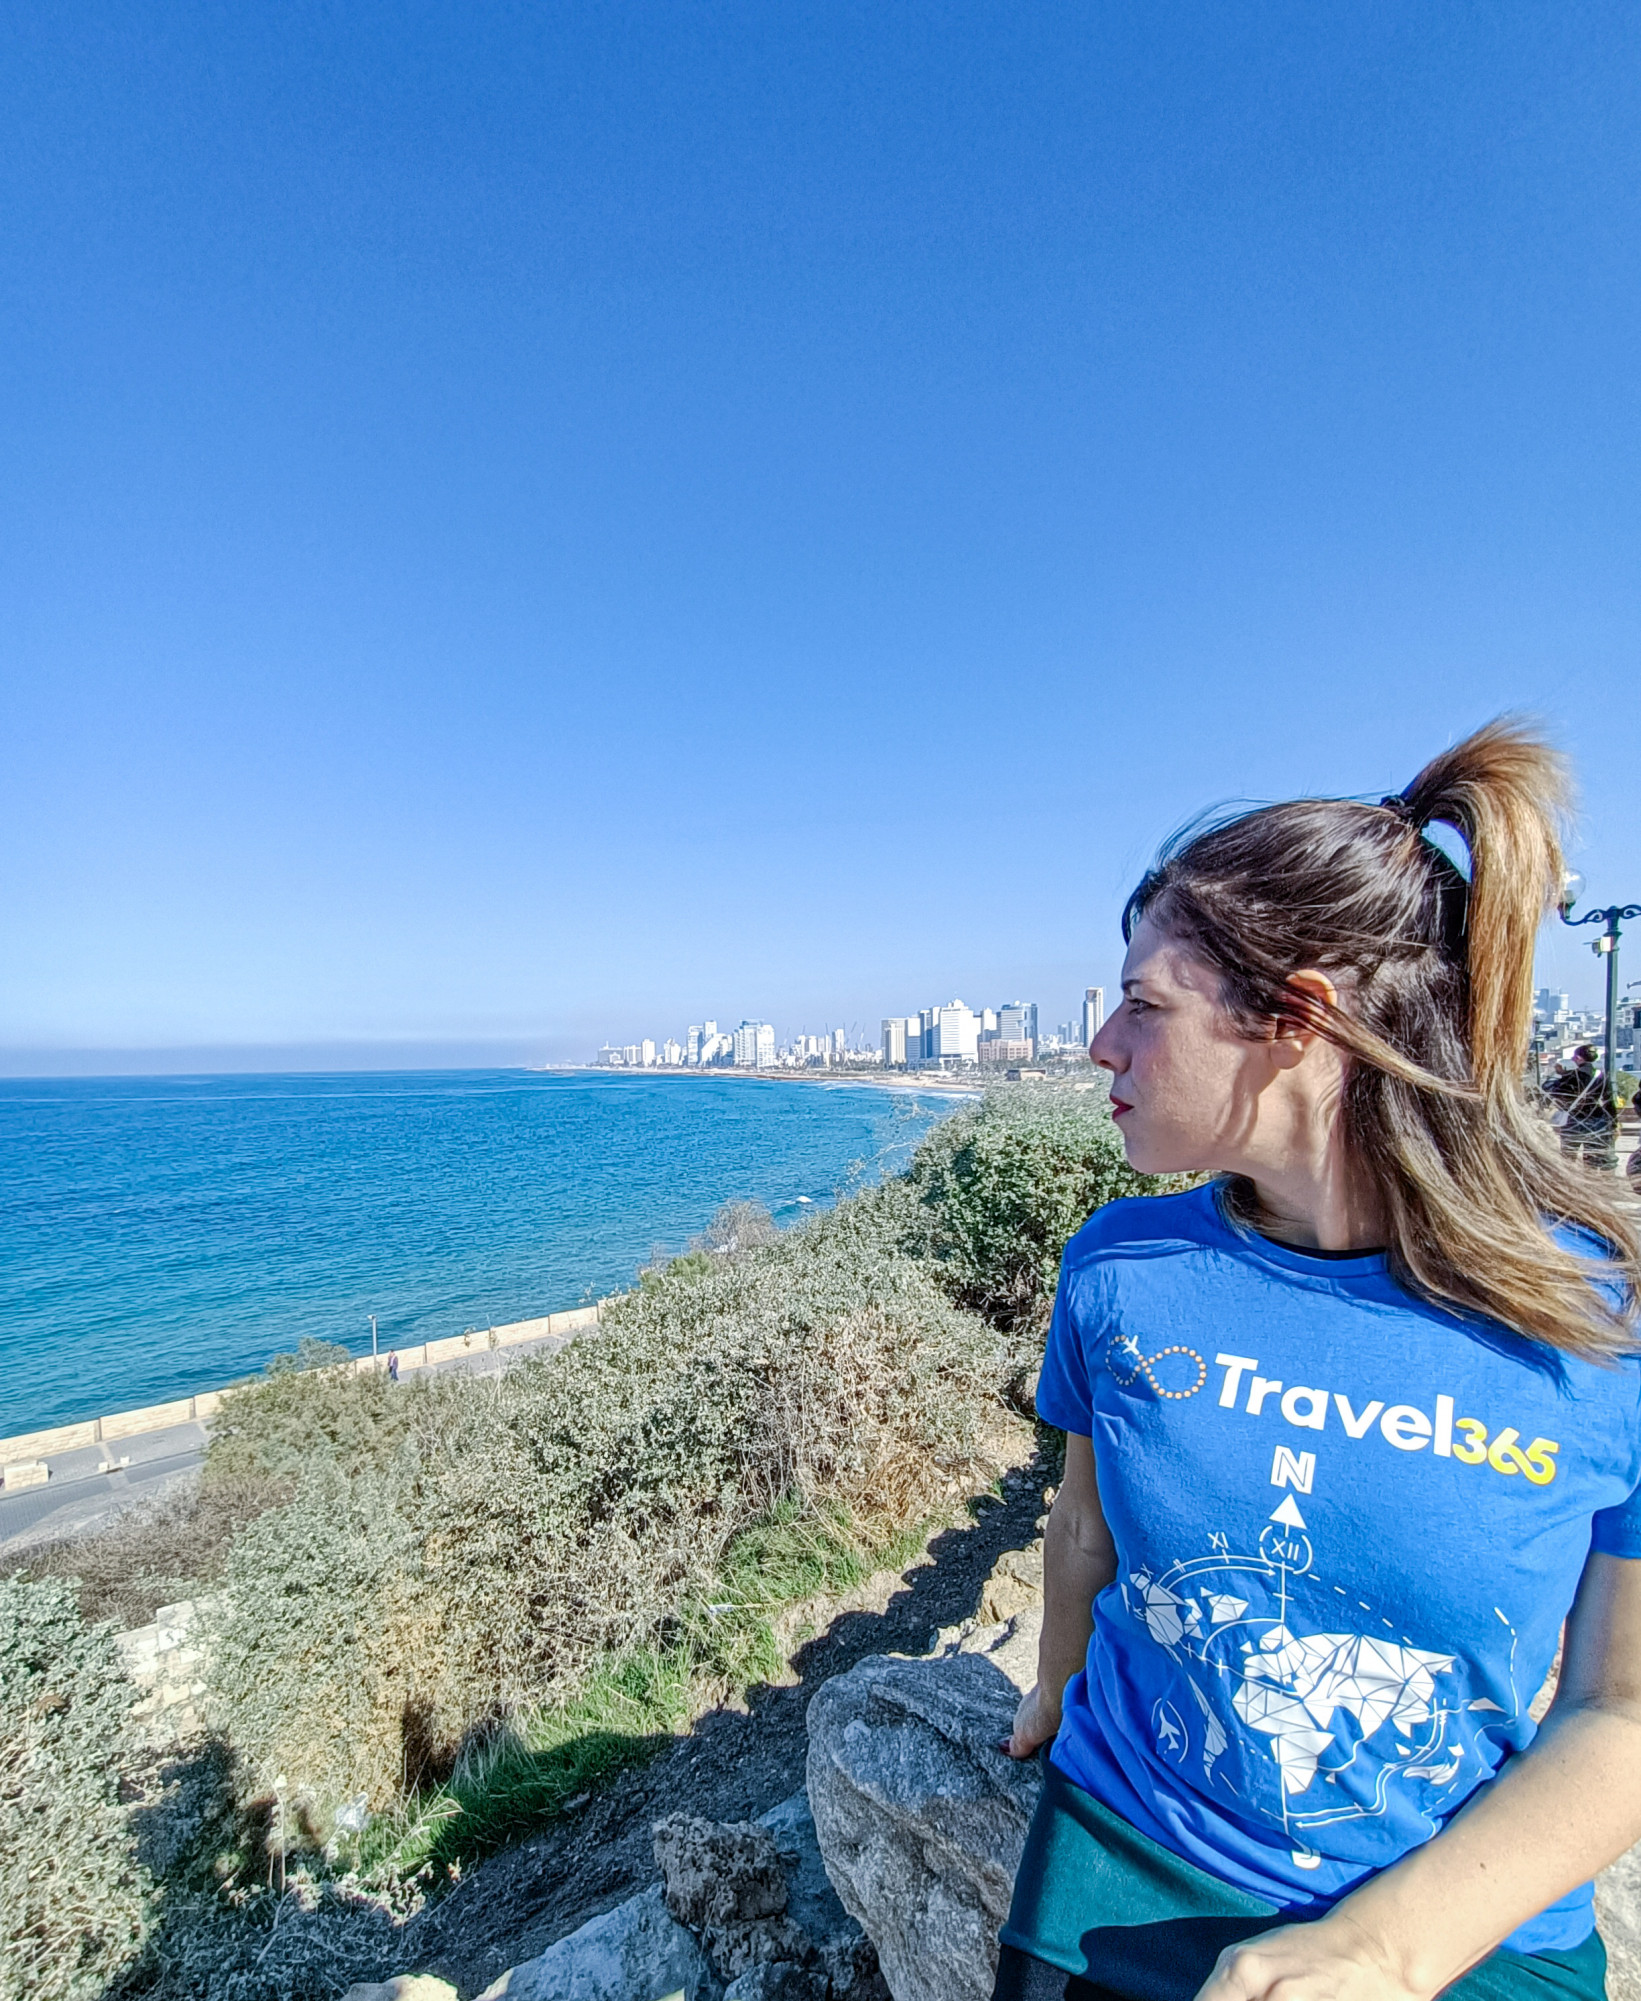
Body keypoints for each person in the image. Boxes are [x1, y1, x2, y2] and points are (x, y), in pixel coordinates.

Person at [998, 720, 1641, 2001]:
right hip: (1118, 1854)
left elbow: (1620, 1709)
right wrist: (1055, 1687)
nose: (1101, 1046)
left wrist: (1384, 1948)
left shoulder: (1595, 1323)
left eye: (1144, 1004)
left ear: (1299, 1019)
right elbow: (1083, 1521)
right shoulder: (1121, 1267)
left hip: (1464, 1924)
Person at [1546, 1045, 1619, 1172]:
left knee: (1568, 1158)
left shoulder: (1572, 1076)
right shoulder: (1601, 1076)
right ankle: (1591, 1181)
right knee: (1592, 1159)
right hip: (1596, 1120)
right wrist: (1613, 1123)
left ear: (1579, 1058)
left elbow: (1557, 1095)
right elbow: (1608, 1101)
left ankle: (1570, 1183)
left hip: (1574, 1120)